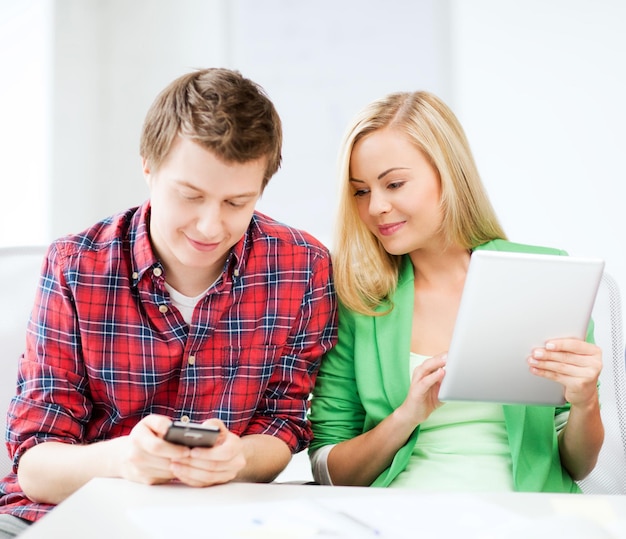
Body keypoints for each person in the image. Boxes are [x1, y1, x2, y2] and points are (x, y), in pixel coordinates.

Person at [0, 67, 337, 535]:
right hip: (68, 512)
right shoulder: (76, 266)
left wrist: (237, 459)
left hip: (224, 517)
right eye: (189, 195)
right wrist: (124, 458)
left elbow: (283, 422)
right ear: (148, 167)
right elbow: (35, 466)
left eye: (237, 203)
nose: (209, 227)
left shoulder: (302, 268)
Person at [308, 90, 603, 492]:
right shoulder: (359, 300)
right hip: (401, 516)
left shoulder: (539, 277)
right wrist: (406, 417)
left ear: (449, 174)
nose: (375, 206)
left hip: (530, 518)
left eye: (394, 184)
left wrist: (585, 400)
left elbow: (579, 465)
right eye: (361, 191)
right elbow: (330, 471)